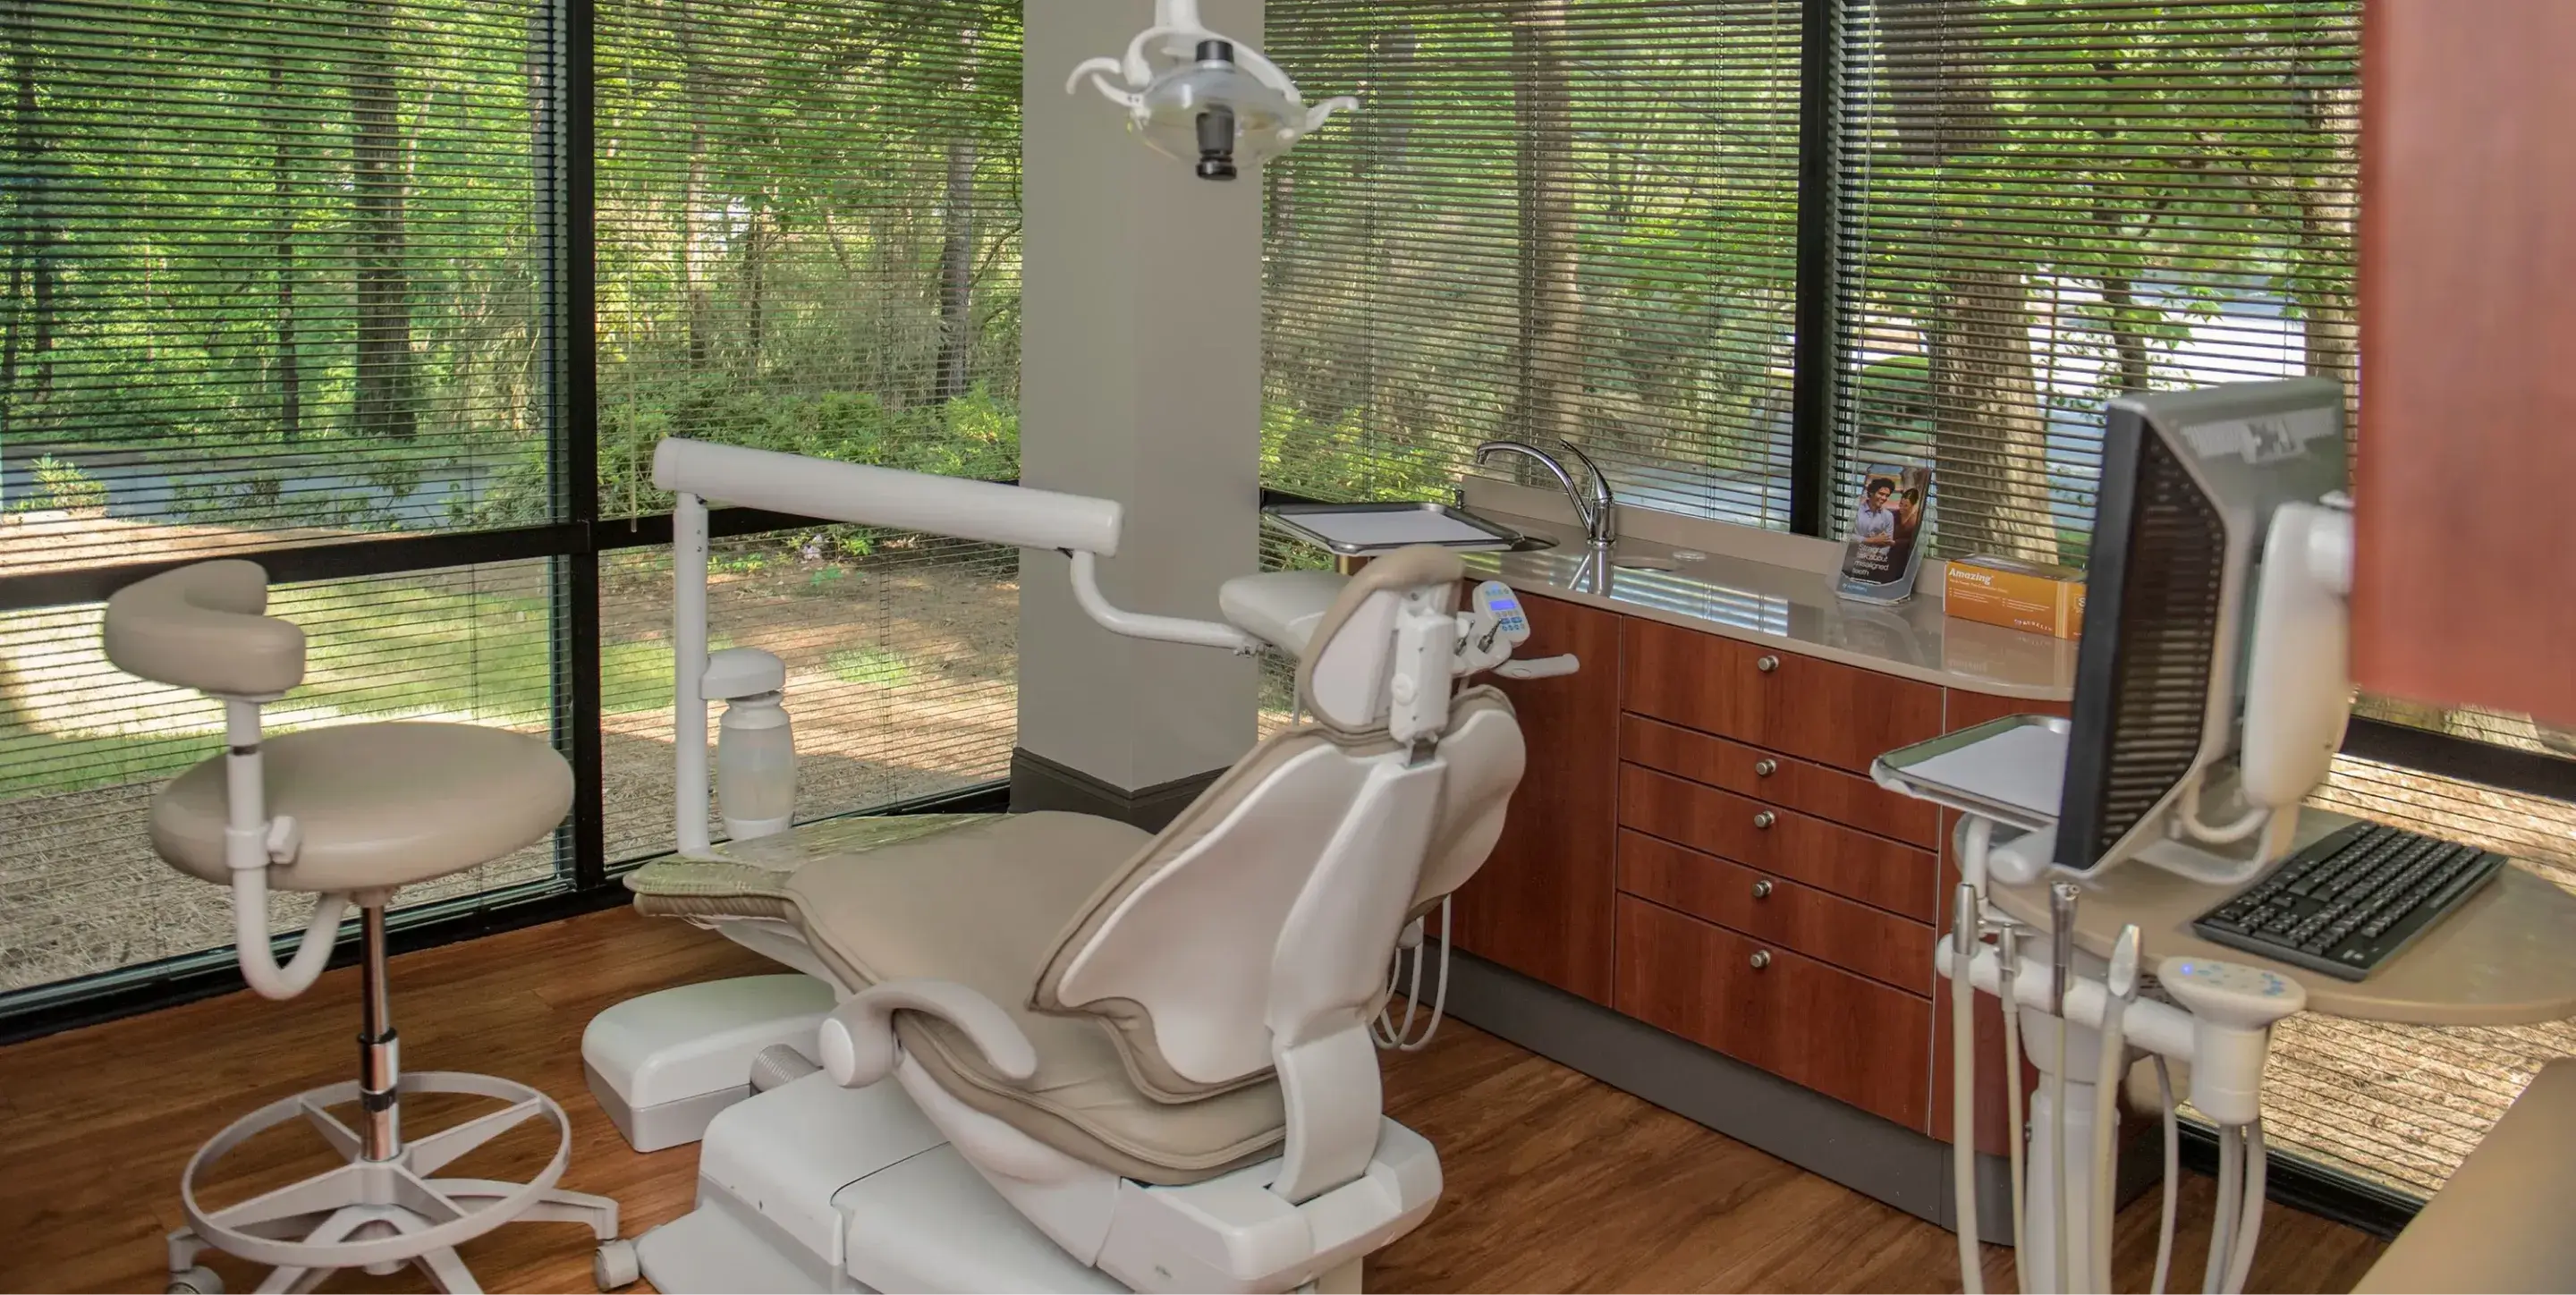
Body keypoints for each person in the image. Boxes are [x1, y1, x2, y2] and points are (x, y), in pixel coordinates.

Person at [1857, 478, 1900, 546]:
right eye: (1881, 494)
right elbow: (1848, 536)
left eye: (1887, 495)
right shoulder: (1857, 511)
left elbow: (1888, 543)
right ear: (1871, 492)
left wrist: (1880, 554)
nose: (1884, 498)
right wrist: (1871, 540)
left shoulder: (1888, 516)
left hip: (1877, 555)